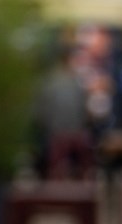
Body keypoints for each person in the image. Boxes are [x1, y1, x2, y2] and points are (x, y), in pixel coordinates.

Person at [33, 49, 90, 179]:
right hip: (68, 135)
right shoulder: (74, 83)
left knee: (56, 171)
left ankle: (56, 193)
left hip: (56, 134)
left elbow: (39, 113)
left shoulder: (49, 82)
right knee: (82, 167)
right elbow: (83, 111)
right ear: (68, 61)